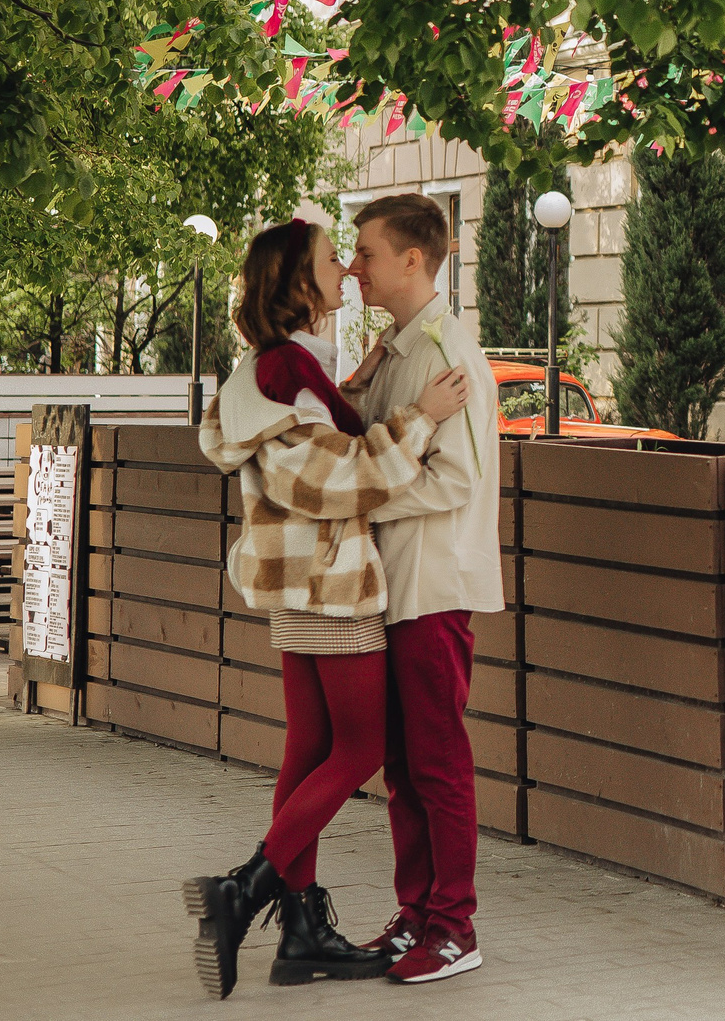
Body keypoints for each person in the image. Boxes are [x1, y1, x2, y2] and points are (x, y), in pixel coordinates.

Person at [181, 218, 472, 1001]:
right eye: (330, 260)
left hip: (293, 583)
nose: (346, 267)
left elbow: (304, 435)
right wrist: (422, 418)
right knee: (359, 749)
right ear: (299, 285)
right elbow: (323, 481)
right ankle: (241, 890)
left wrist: (354, 385)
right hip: (331, 584)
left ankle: (303, 929)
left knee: (310, 750)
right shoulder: (286, 376)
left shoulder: (277, 372)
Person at [342, 193, 502, 985]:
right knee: (403, 763)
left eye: (366, 251)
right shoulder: (401, 347)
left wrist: (361, 494)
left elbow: (456, 479)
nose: (354, 265)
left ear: (414, 259)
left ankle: (454, 925)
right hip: (398, 584)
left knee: (437, 761)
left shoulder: (446, 350)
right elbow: (368, 438)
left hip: (433, 585)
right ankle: (417, 915)